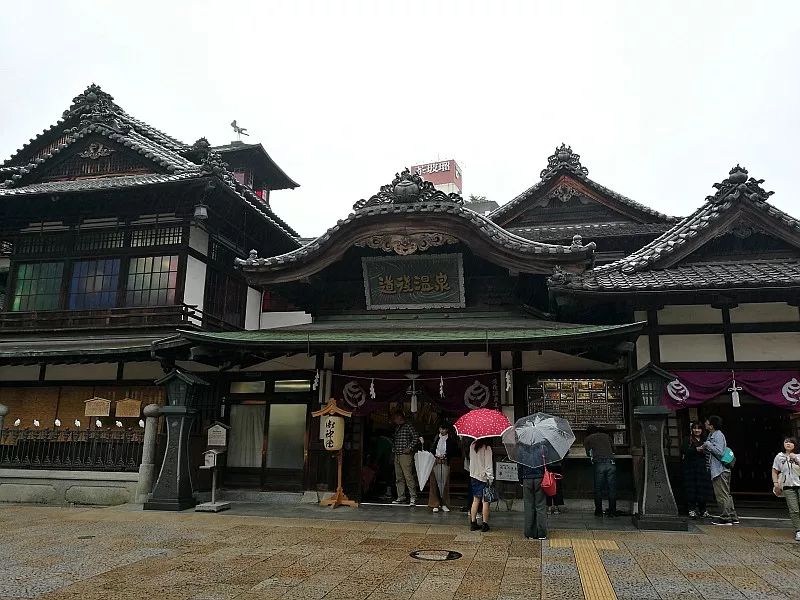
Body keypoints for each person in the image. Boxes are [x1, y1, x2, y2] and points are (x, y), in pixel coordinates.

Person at [701, 415, 739, 525]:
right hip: (722, 469)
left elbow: (719, 452)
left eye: (707, 422)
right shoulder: (713, 434)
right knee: (726, 493)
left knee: (721, 494)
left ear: (711, 425)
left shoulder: (717, 435)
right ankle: (732, 515)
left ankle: (725, 517)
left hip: (719, 470)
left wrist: (707, 444)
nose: (705, 423)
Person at [583, 425, 617, 517]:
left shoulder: (588, 439)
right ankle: (612, 511)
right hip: (611, 463)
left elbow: (587, 453)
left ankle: (598, 511)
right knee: (611, 489)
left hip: (599, 464)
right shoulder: (607, 436)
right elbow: (614, 449)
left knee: (598, 489)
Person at [682, 421, 713, 519]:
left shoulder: (705, 439)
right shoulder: (688, 439)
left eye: (699, 428)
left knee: (702, 489)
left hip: (703, 467)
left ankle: (703, 510)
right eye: (695, 428)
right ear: (691, 429)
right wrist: (696, 449)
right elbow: (684, 451)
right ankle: (691, 509)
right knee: (691, 488)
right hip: (690, 468)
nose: (697, 430)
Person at [771, 436, 800, 541]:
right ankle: (798, 530)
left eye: (791, 442)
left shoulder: (799, 455)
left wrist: (795, 459)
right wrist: (776, 484)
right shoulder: (779, 457)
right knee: (794, 510)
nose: (788, 443)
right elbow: (775, 470)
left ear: (795, 444)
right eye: (786, 442)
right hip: (787, 486)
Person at [428, 423, 460, 513]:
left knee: (444, 484)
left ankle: (444, 504)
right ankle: (435, 504)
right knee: (434, 483)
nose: (442, 431)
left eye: (444, 429)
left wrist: (446, 455)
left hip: (445, 461)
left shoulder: (450, 440)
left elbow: (454, 451)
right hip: (435, 460)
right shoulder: (435, 438)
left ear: (447, 430)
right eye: (441, 429)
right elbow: (431, 449)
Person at [391, 410, 419, 506]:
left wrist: (409, 448)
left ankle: (413, 497)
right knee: (399, 477)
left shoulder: (408, 425)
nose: (394, 420)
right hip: (397, 454)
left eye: (395, 418)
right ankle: (401, 496)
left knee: (408, 476)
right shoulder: (397, 427)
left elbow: (416, 437)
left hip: (405, 455)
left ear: (400, 417)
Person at [468, 439, 494, 532]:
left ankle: (473, 522)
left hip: (474, 475)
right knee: (485, 501)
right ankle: (485, 524)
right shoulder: (487, 448)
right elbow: (488, 465)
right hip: (484, 477)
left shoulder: (472, 445)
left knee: (475, 500)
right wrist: (490, 478)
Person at [519, 460, 547, 540]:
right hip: (540, 477)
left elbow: (519, 466)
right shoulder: (543, 447)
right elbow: (549, 463)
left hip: (526, 478)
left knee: (528, 506)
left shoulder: (522, 449)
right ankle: (541, 533)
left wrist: (520, 480)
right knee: (540, 506)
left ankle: (530, 533)